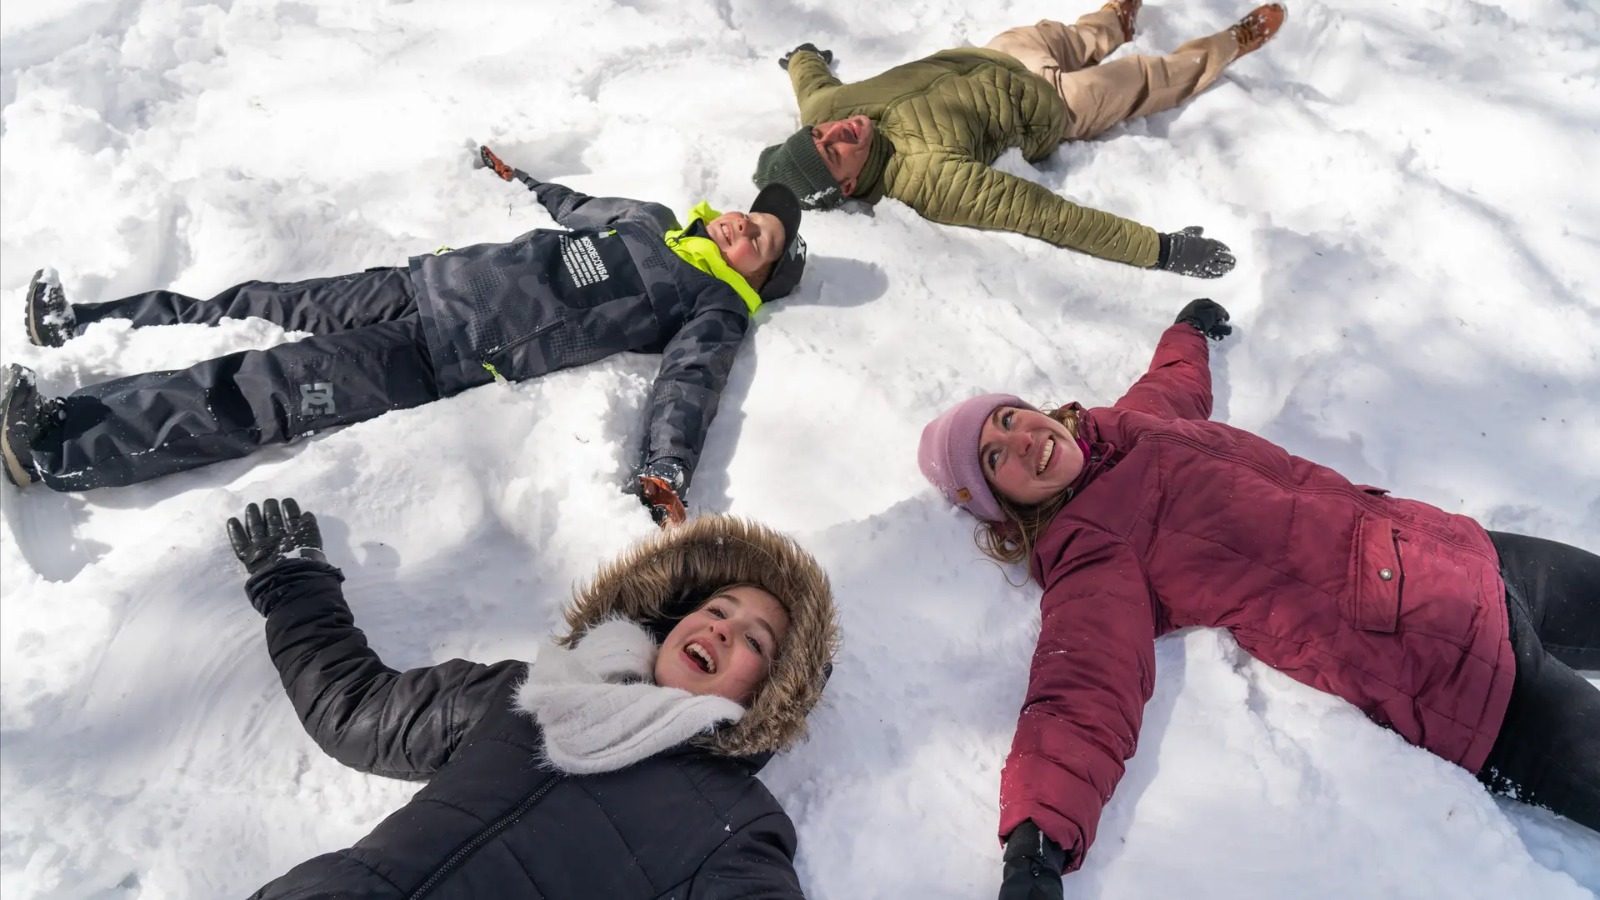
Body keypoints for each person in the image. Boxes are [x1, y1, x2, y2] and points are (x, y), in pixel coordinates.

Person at [917, 300, 1599, 898]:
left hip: (1460, 552)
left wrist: (1187, 331)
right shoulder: (1093, 553)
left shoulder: (1126, 426)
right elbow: (1082, 690)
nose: (1023, 437)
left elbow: (1171, 384)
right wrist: (1036, 841)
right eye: (996, 456)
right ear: (1000, 507)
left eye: (1010, 417)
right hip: (1458, 676)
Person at [2, 146, 809, 525]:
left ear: (756, 277)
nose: (742, 224)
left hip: (434, 356)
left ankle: (57, 446)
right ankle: (87, 324)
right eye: (750, 215)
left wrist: (663, 467)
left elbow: (688, 387)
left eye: (759, 241)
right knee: (256, 299)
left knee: (263, 390)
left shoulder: (713, 304)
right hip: (418, 284)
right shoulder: (654, 220)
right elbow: (574, 207)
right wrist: (517, 175)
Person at [224, 499, 840, 898]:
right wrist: (294, 583)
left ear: (768, 693)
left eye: (754, 642)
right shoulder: (530, 692)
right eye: (715, 609)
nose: (723, 629)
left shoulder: (732, 823)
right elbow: (357, 709)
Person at [753, 1, 1289, 277]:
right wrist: (1161, 249)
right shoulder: (929, 180)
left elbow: (810, 81)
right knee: (1152, 78)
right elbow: (1047, 216)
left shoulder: (828, 111)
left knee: (1078, 34)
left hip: (1003, 53)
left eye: (817, 132)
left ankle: (1115, 21)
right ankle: (1226, 46)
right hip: (1058, 105)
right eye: (831, 150)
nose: (834, 131)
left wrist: (803, 53)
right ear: (847, 186)